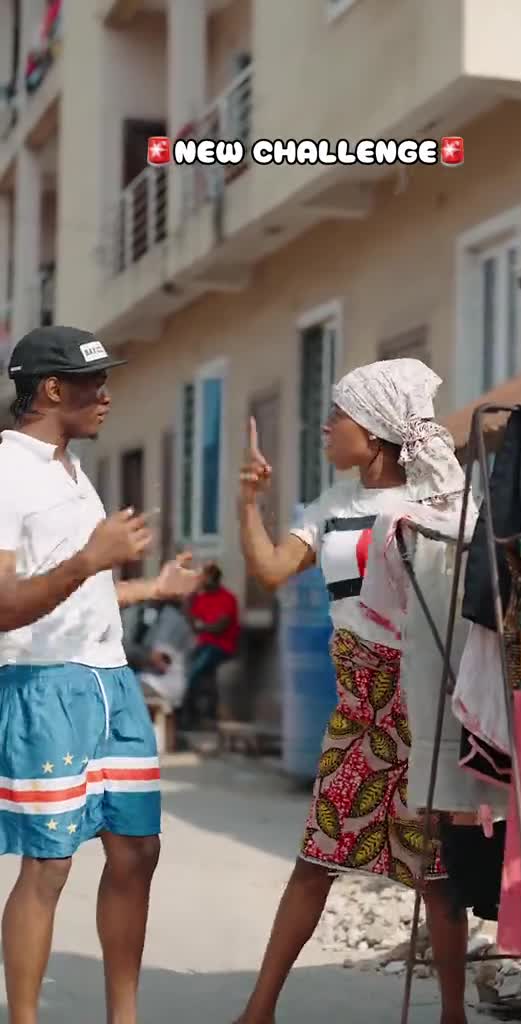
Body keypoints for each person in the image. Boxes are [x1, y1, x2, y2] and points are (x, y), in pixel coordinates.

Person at [235, 358, 469, 1024]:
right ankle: (258, 1011)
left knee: (437, 872)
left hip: (422, 702)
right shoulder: (330, 507)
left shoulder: (441, 504)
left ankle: (453, 1015)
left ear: (374, 430)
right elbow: (272, 570)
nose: (326, 427)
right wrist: (249, 503)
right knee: (317, 855)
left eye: (338, 416)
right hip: (358, 706)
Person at [0, 325, 201, 1024]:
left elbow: (79, 590)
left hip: (111, 680)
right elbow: (5, 605)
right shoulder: (7, 472)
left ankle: (125, 1018)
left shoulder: (72, 471)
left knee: (138, 850)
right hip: (43, 682)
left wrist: (150, 588)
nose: (107, 395)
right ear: (53, 389)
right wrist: (92, 557)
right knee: (49, 863)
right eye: (94, 382)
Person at [182, 562, 239, 721]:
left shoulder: (227, 598)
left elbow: (220, 627)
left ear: (213, 578)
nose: (200, 581)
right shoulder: (200, 598)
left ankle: (188, 713)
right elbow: (194, 625)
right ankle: (196, 712)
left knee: (195, 670)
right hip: (202, 645)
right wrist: (190, 598)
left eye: (203, 577)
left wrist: (202, 626)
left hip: (221, 647)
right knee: (184, 665)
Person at [122, 596, 192, 709]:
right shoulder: (153, 614)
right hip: (149, 677)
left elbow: (158, 660)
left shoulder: (172, 619)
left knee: (119, 690)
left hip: (163, 682)